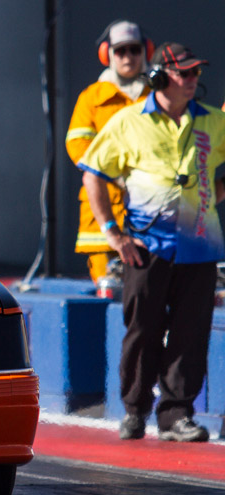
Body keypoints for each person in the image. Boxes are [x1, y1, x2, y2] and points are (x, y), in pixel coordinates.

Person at [79, 42, 225, 442]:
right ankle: (135, 409)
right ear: (160, 77)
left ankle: (177, 414)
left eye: (196, 73)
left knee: (191, 332)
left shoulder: (214, 121)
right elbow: (93, 174)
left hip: (199, 247)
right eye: (184, 73)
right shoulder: (128, 122)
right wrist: (113, 233)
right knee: (142, 329)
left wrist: (208, 198)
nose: (193, 80)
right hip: (145, 246)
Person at [66, 20, 152, 283]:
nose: (128, 57)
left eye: (134, 49)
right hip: (103, 213)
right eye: (120, 50)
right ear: (108, 54)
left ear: (146, 51)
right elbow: (77, 145)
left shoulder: (157, 94)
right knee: (108, 289)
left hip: (150, 210)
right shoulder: (91, 97)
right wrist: (113, 175)